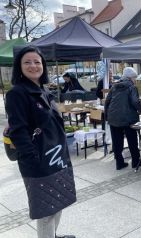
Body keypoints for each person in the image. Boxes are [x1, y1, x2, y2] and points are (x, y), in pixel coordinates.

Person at [5, 46, 76, 238]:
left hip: (57, 156)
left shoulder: (43, 91)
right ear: (19, 67)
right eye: (27, 62)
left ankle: (53, 235)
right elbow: (18, 131)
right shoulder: (17, 94)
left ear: (43, 65)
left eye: (37, 61)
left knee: (58, 201)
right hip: (39, 162)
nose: (33, 65)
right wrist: (32, 159)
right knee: (46, 212)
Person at [104, 67, 141, 170]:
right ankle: (135, 162)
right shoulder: (131, 87)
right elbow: (135, 102)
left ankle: (119, 163)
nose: (135, 79)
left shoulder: (114, 86)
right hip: (128, 118)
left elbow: (107, 102)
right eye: (134, 77)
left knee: (117, 142)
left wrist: (107, 117)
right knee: (132, 140)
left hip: (113, 118)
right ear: (130, 77)